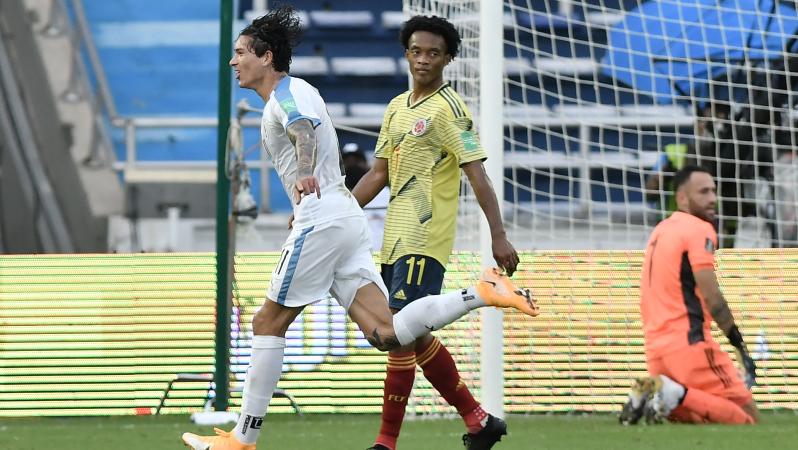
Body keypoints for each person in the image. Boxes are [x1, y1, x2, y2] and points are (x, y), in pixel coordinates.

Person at [181, 7, 538, 450]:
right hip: (344, 215)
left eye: (240, 53)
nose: (234, 62)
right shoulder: (320, 95)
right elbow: (364, 165)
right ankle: (480, 294)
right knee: (387, 334)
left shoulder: (287, 97)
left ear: (266, 56)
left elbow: (304, 131)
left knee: (267, 321)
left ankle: (243, 438)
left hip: (333, 216)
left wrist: (307, 175)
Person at [351, 15, 524, 450]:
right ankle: (478, 420)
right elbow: (378, 175)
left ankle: (385, 442)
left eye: (433, 53)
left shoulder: (449, 110)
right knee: (414, 332)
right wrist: (338, 214)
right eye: (416, 51)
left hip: (426, 237)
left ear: (448, 58)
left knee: (398, 336)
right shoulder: (395, 108)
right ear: (406, 53)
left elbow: (478, 176)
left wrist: (498, 236)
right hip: (392, 237)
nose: (423, 59)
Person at [619, 165, 759, 426]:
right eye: (704, 192)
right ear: (682, 197)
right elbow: (711, 295)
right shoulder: (699, 229)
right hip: (689, 345)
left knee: (701, 416)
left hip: (656, 350)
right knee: (748, 418)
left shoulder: (661, 230)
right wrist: (739, 344)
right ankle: (672, 393)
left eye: (714, 191)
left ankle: (655, 394)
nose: (712, 199)